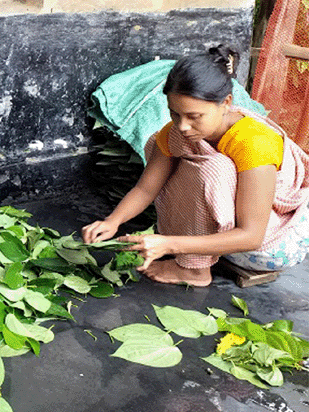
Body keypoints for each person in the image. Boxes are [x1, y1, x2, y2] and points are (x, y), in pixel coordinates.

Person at [82, 45, 309, 287]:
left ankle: (193, 271)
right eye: (174, 114)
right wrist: (112, 221)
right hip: (229, 235)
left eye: (194, 116)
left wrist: (169, 244)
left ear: (226, 103)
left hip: (273, 245)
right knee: (175, 151)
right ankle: (196, 255)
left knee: (213, 169)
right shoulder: (178, 133)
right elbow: (146, 189)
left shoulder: (254, 143)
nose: (183, 126)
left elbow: (252, 236)